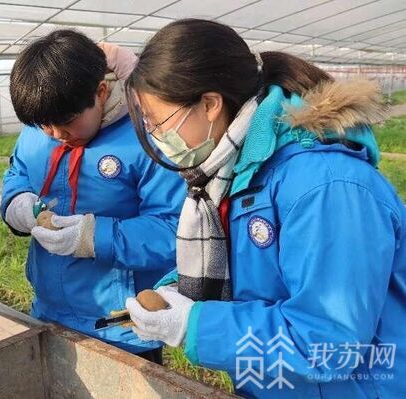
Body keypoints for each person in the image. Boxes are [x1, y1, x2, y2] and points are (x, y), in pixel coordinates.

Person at [124, 19, 406, 398]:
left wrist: (196, 325)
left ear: (209, 104)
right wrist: (181, 290)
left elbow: (330, 341)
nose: (156, 136)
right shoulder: (237, 173)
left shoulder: (326, 187)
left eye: (157, 121)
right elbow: (250, 267)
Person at [1, 30, 186, 363]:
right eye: (45, 125)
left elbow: (174, 228)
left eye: (68, 122)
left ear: (100, 92)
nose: (57, 135)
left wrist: (93, 236)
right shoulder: (42, 122)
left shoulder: (147, 137)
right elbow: (17, 172)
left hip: (119, 326)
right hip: (48, 310)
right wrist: (16, 202)